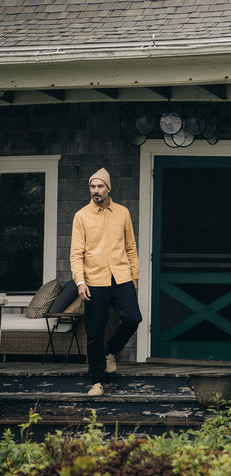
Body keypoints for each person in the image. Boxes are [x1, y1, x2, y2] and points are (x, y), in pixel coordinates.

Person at [70, 168, 142, 396]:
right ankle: (97, 382)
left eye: (100, 186)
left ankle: (111, 352)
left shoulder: (122, 213)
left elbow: (131, 247)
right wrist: (80, 281)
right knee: (94, 331)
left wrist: (135, 277)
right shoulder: (81, 216)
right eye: (93, 186)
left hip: (121, 277)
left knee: (133, 318)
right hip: (93, 281)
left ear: (108, 188)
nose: (96, 191)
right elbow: (76, 254)